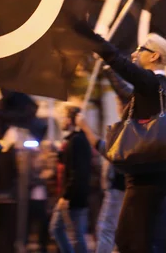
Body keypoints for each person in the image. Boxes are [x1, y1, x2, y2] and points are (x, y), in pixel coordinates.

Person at [77, 33, 166, 253]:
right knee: (127, 238)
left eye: (140, 49)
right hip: (146, 176)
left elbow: (119, 62)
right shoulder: (154, 86)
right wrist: (107, 71)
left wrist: (91, 37)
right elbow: (124, 88)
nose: (135, 53)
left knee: (134, 241)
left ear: (154, 56)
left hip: (148, 178)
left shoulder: (152, 82)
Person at [49, 106, 91, 253]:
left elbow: (77, 171)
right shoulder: (74, 140)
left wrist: (66, 196)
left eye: (63, 116)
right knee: (67, 232)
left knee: (69, 233)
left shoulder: (77, 140)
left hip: (73, 197)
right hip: (73, 195)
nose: (61, 120)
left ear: (70, 120)